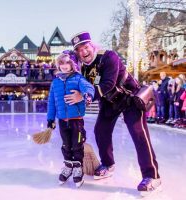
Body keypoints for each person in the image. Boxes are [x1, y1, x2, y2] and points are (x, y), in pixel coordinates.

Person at [64, 31, 161, 195]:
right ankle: (108, 164)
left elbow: (108, 84)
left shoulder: (109, 56)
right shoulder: (84, 69)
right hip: (109, 103)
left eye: (85, 47)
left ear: (92, 45)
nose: (83, 52)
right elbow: (87, 91)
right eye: (79, 50)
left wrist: (85, 95)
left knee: (138, 134)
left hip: (130, 99)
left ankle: (152, 176)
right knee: (100, 130)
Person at [47, 53, 94, 187]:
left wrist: (87, 95)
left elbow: (88, 87)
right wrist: (51, 119)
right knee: (66, 144)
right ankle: (68, 165)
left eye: (67, 63)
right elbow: (51, 102)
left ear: (72, 65)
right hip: (62, 120)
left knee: (77, 144)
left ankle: (78, 168)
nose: (64, 66)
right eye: (61, 63)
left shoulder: (78, 78)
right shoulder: (55, 82)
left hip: (76, 120)